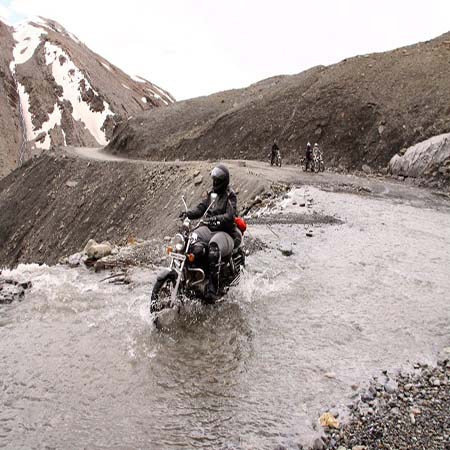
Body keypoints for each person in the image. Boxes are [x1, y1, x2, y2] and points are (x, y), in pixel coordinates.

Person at [180, 164, 240, 302]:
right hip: (210, 229)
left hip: (226, 232)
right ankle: (193, 277)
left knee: (213, 247)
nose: (214, 182)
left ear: (223, 181)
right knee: (191, 240)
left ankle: (213, 289)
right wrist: (188, 214)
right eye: (213, 179)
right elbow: (201, 209)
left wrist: (214, 219)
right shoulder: (211, 194)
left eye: (216, 180)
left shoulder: (230, 195)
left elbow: (230, 216)